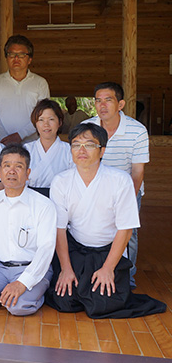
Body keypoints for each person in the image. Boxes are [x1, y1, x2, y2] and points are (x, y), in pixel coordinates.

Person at [45, 123, 166, 318]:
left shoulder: (120, 180)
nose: (81, 150)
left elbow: (125, 229)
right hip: (76, 249)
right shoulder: (61, 181)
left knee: (103, 305)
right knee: (65, 301)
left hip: (107, 251)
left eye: (89, 145)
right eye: (76, 145)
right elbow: (59, 229)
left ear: (102, 150)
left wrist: (108, 268)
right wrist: (66, 269)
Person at [0, 144, 57, 316]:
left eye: (19, 166)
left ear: (28, 173)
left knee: (18, 307)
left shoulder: (44, 205)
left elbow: (46, 249)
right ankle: (5, 294)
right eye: (7, 166)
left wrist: (22, 283)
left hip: (31, 268)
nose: (12, 171)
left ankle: (33, 293)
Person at [84, 82, 148, 288]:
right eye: (98, 100)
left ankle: (127, 278)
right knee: (90, 229)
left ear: (120, 104)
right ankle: (93, 272)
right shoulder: (87, 128)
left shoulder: (137, 131)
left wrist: (127, 201)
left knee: (128, 233)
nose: (102, 105)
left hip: (128, 190)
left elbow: (137, 172)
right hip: (93, 189)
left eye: (108, 100)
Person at [0, 35, 50, 145]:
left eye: (21, 55)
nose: (16, 58)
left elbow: (42, 115)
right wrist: (5, 139)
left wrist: (20, 135)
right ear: (6, 58)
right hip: (1, 144)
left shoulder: (40, 83)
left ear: (29, 59)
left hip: (31, 144)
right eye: (11, 54)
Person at [25, 99, 73, 197]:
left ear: (59, 122)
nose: (46, 125)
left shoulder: (69, 150)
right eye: (41, 120)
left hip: (61, 200)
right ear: (35, 123)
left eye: (51, 119)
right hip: (31, 200)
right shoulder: (27, 149)